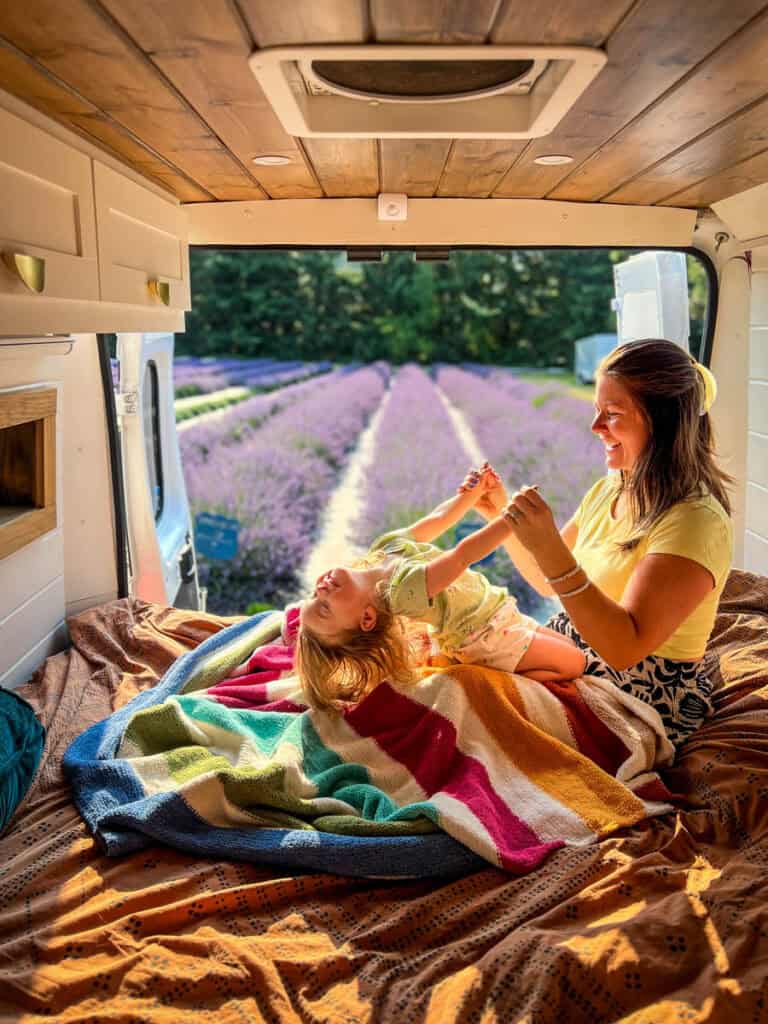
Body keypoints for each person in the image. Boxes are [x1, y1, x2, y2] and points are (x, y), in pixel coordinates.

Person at [475, 339, 734, 747]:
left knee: (474, 710)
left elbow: (623, 648)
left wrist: (550, 548)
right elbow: (549, 583)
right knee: (459, 679)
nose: (595, 427)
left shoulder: (694, 521)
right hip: (573, 658)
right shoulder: (610, 489)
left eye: (612, 415)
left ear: (662, 423)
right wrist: (501, 514)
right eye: (597, 411)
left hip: (640, 695)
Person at [294, 467, 586, 711]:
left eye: (312, 596)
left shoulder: (383, 550)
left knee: (569, 647)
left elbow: (437, 520)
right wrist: (510, 520)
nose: (320, 590)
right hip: (489, 638)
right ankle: (504, 680)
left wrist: (469, 495)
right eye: (324, 607)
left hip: (498, 613)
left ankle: (493, 665)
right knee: (575, 663)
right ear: (367, 619)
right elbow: (461, 556)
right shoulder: (401, 592)